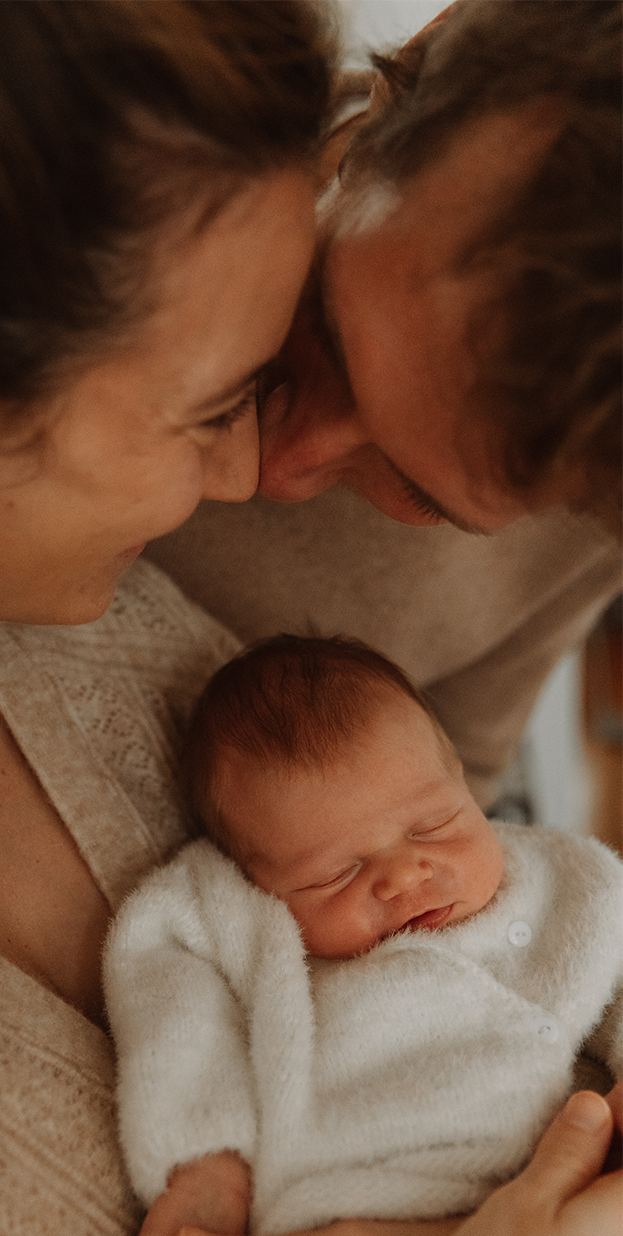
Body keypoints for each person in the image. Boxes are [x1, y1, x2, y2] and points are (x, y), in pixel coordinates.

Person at [0, 2, 618, 1236]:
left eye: (423, 488)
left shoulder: (133, 643)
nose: (261, 470)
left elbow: (478, 915)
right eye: (221, 398)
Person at [146, 0, 622, 812]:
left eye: (419, 494)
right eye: (325, 329)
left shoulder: (588, 512)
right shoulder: (110, 148)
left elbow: (444, 776)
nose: (270, 470)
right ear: (421, 56)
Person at [103, 635, 621, 1236]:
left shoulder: (565, 886)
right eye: (335, 875)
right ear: (252, 880)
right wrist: (210, 1169)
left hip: (567, 1228)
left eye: (433, 825)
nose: (405, 876)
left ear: (468, 788)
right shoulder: (231, 917)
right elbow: (170, 999)